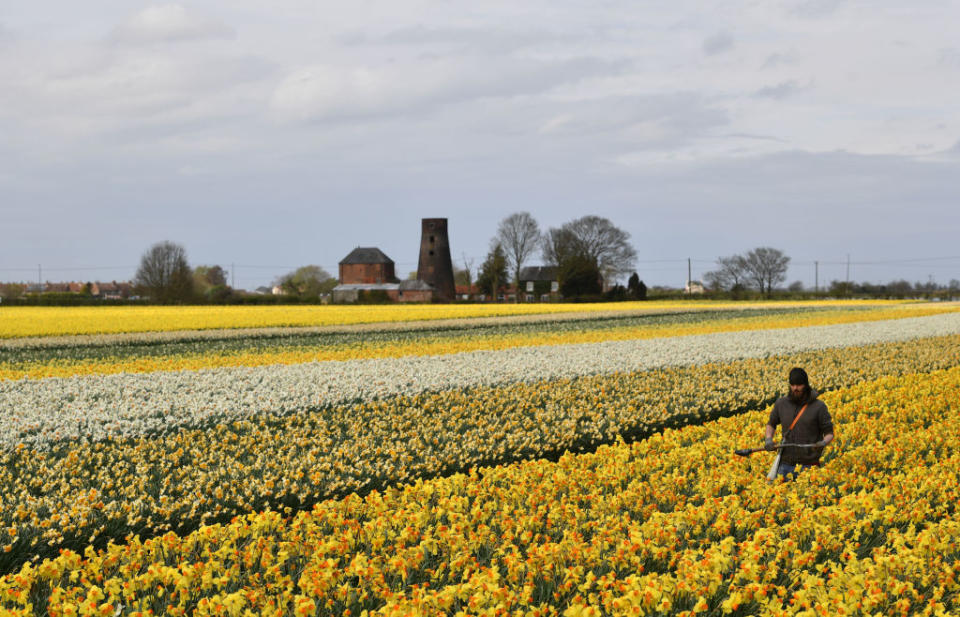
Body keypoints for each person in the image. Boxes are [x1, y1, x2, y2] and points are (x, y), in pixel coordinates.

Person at [764, 367, 834, 479]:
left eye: (799, 385)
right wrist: (768, 439)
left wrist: (823, 443)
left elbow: (829, 433)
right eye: (792, 385)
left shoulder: (819, 407)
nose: (795, 388)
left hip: (809, 466)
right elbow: (771, 424)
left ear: (806, 385)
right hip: (785, 464)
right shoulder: (781, 404)